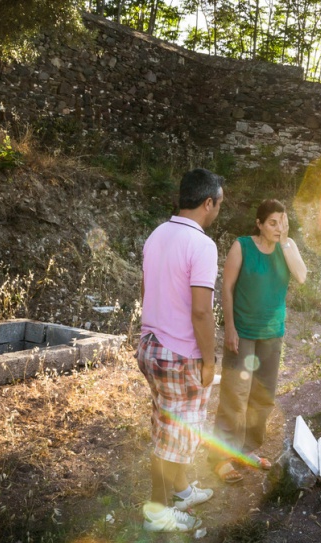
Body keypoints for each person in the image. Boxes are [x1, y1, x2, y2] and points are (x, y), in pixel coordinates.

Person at [137, 168, 224, 533]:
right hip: (179, 353)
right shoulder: (202, 244)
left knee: (165, 422)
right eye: (219, 203)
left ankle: (182, 488)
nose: (219, 210)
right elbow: (201, 311)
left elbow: (146, 291)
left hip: (150, 346)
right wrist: (209, 359)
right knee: (174, 437)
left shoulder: (157, 234)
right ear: (208, 203)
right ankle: (157, 512)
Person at [210, 199, 307, 483]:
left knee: (262, 396)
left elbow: (301, 277)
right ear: (259, 223)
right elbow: (226, 288)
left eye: (283, 221)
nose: (279, 228)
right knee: (235, 394)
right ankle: (221, 458)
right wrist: (229, 327)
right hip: (243, 331)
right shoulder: (242, 246)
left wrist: (287, 242)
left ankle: (245, 449)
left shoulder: (287, 247)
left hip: (272, 333)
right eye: (273, 223)